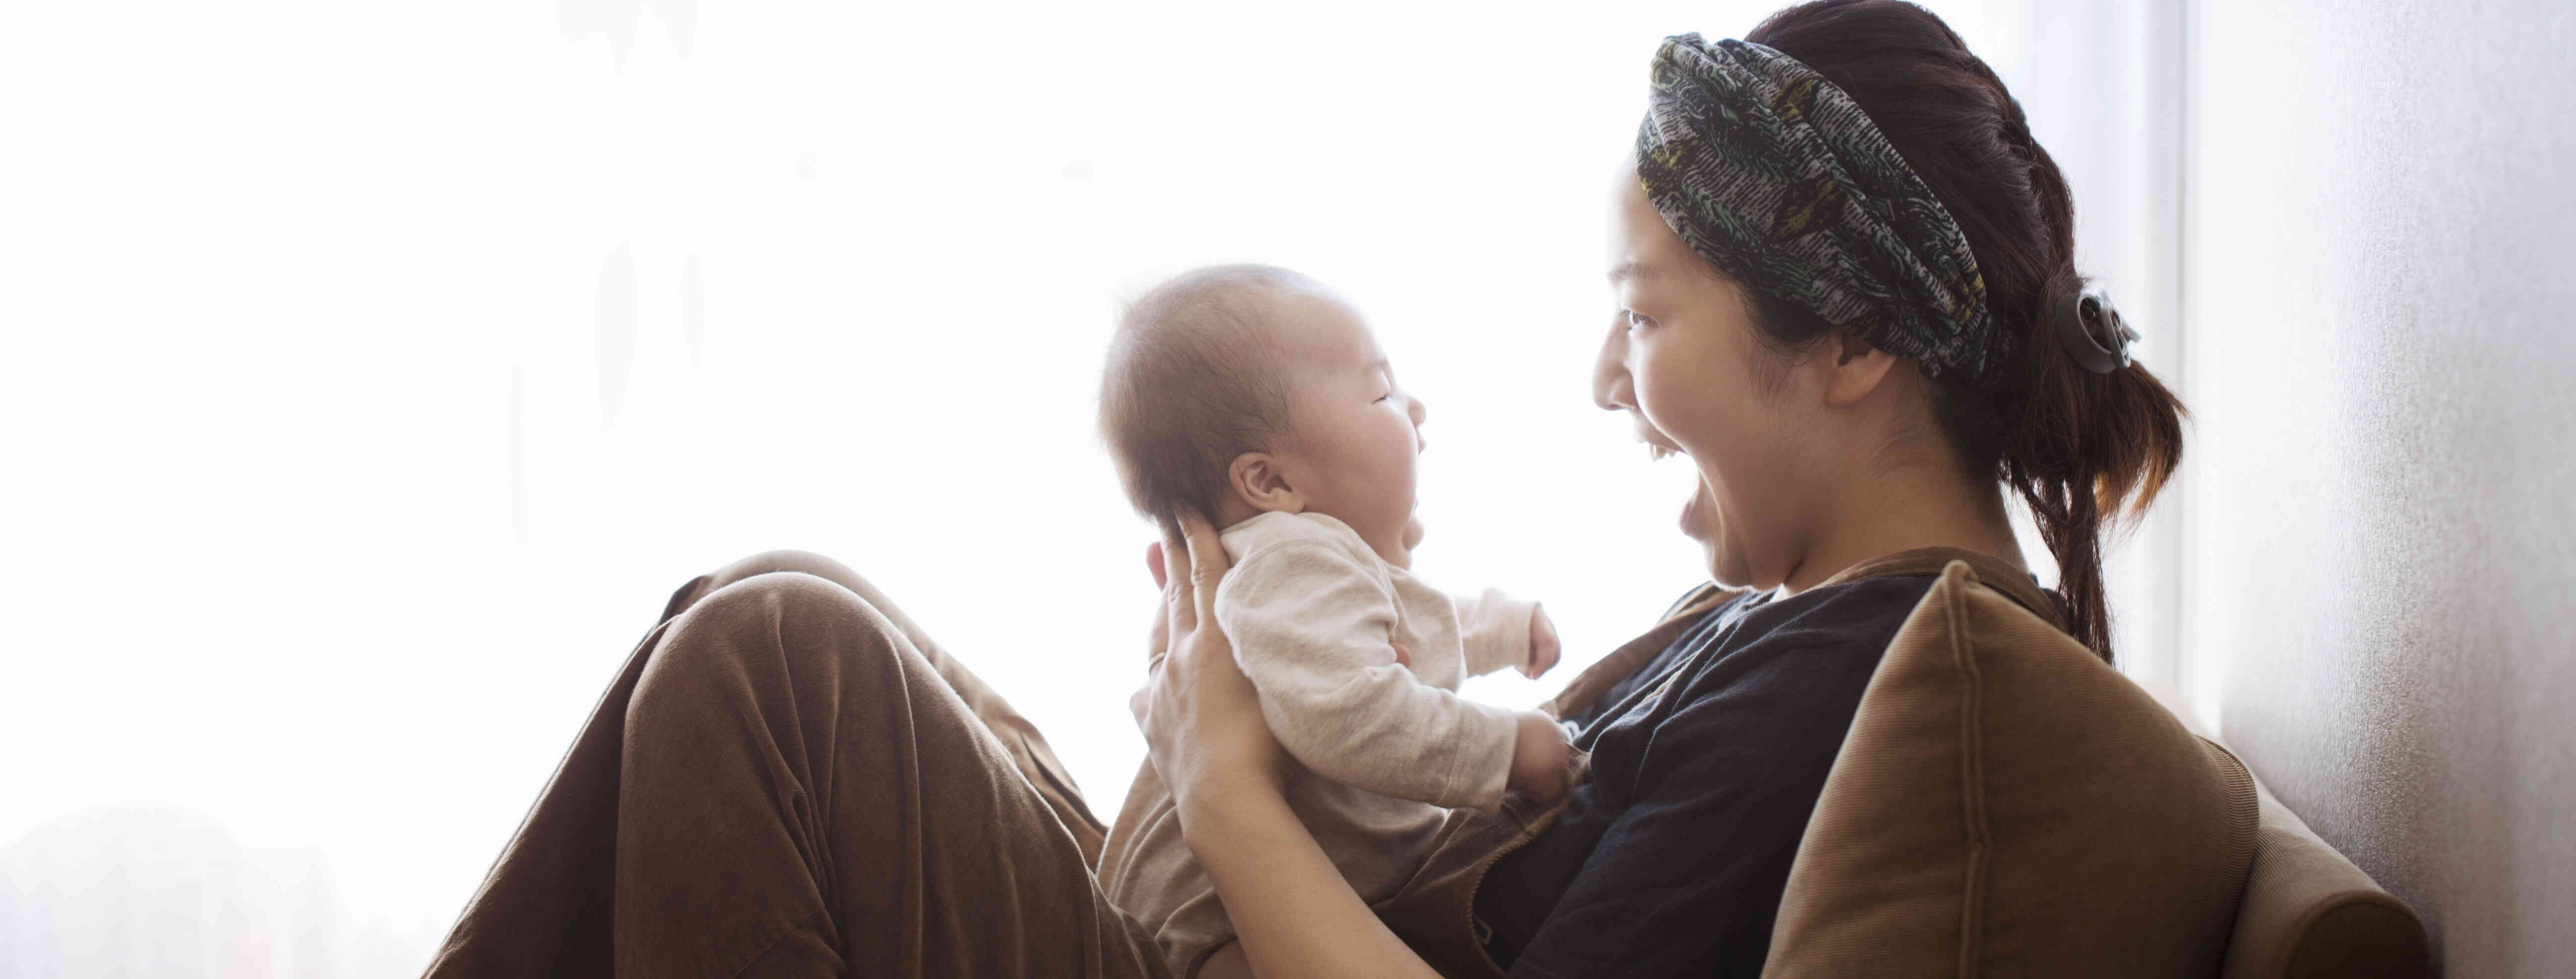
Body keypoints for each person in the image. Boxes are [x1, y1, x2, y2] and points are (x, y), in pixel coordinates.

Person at [424, 2, 2186, 976]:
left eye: (1644, 315)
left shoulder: (1867, 681)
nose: (1598, 380)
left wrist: (1225, 781)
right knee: (770, 607)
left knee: (774, 659)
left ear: (1855, 343)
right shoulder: (1799, 631)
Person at [1091, 263, 1574, 977]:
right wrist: (1505, 750)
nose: (1416, 408)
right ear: (1271, 482)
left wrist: (1504, 627)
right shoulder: (1291, 560)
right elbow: (1351, 713)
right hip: (1211, 933)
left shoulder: (1296, 564)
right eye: (1381, 392)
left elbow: (1402, 632)